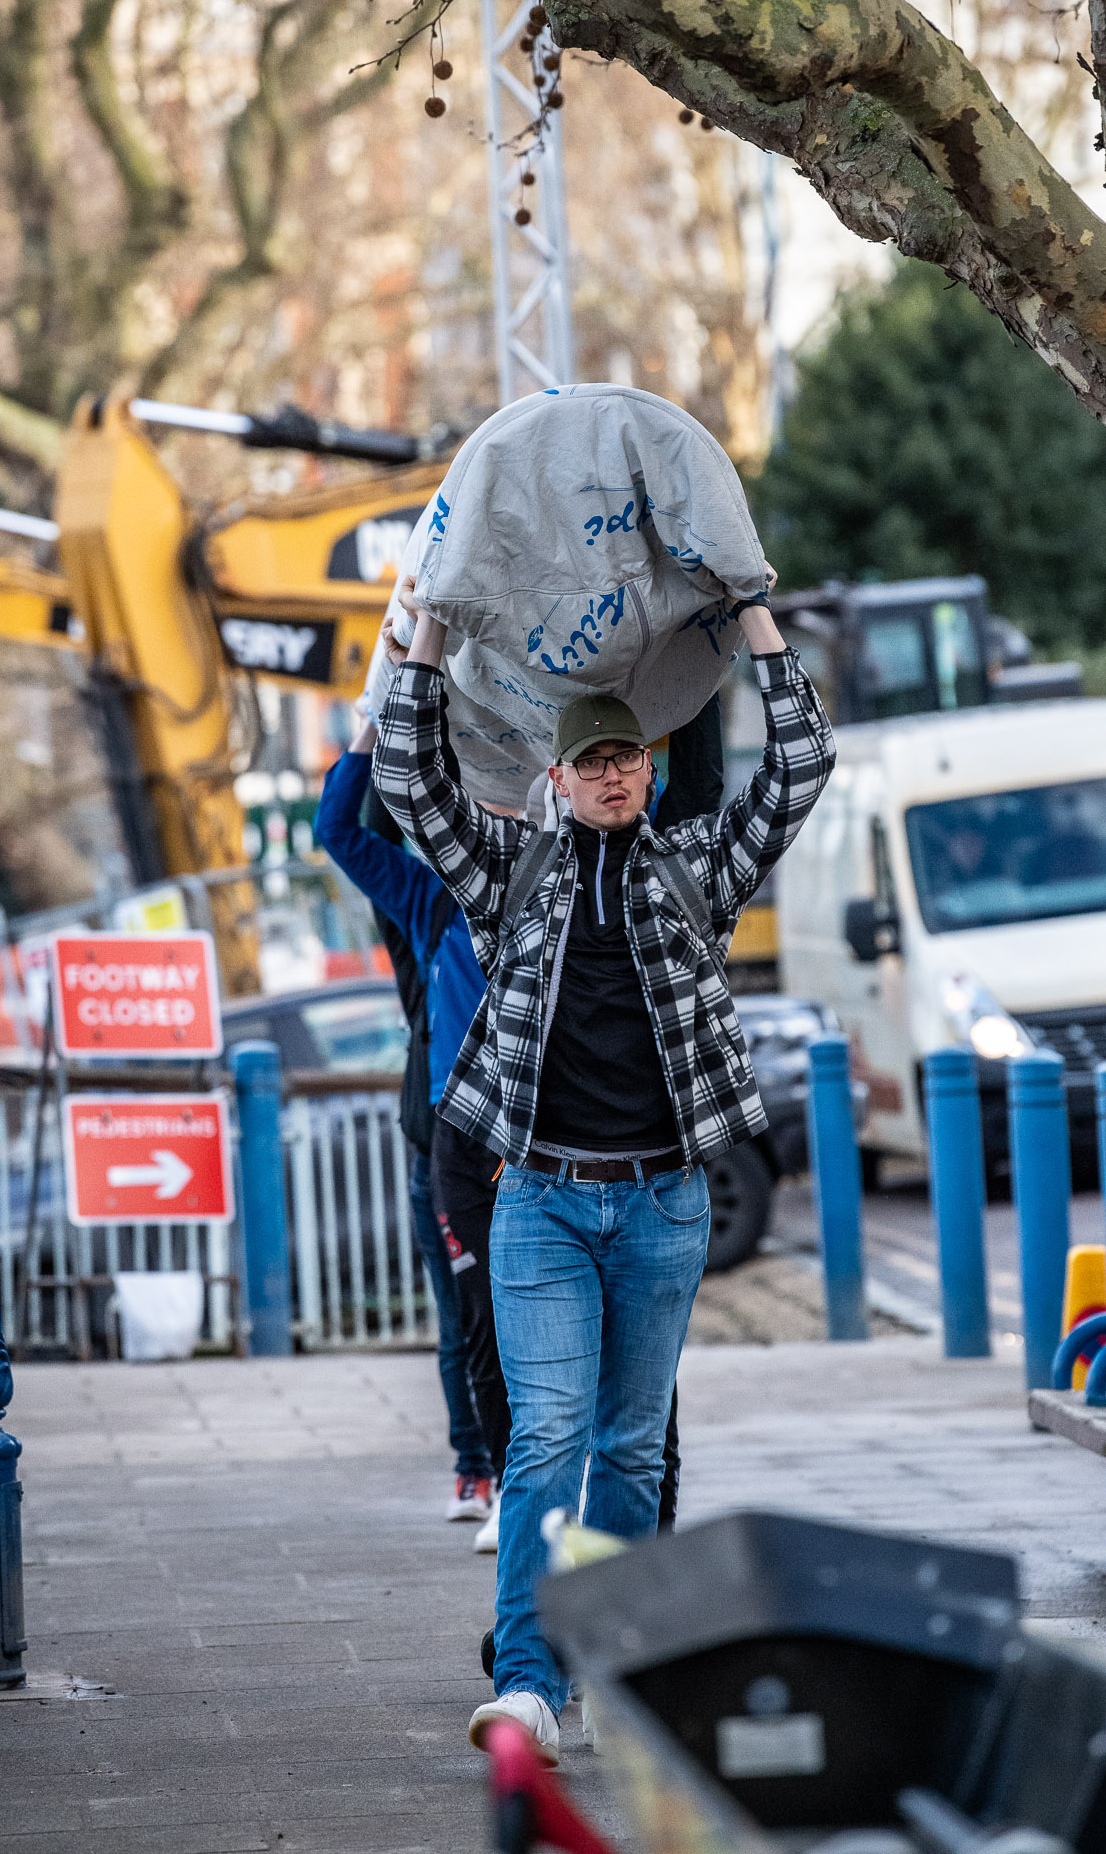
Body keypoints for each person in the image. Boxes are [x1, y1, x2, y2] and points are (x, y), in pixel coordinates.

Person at [373, 575, 835, 1762]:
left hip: (664, 1204)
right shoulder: (510, 874)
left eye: (630, 754)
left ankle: (615, 1654)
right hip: (539, 1201)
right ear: (559, 778)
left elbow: (798, 768)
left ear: (646, 763)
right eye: (594, 761)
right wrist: (425, 628)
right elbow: (409, 781)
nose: (616, 773)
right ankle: (527, 1679)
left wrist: (750, 619)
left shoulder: (694, 868)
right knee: (544, 1441)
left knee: (631, 1446)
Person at [317, 718, 508, 1536]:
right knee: (471, 1322)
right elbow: (340, 830)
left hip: (532, 1144)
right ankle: (487, 1472)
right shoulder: (429, 906)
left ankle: (518, 1477)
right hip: (447, 1147)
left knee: (517, 1324)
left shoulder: (547, 885)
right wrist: (377, 715)